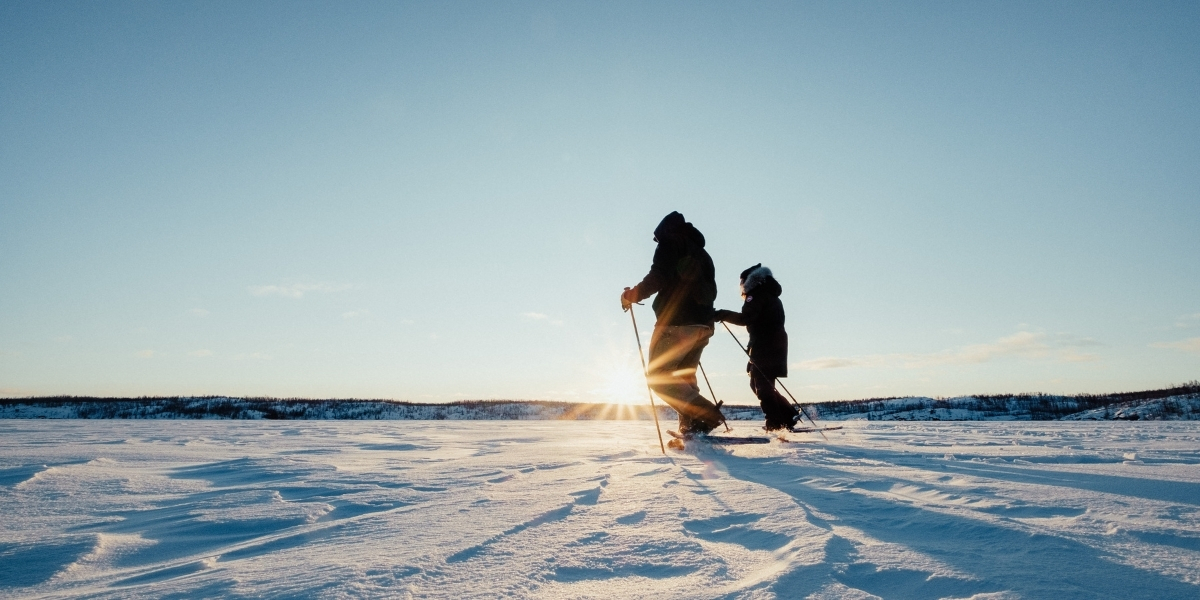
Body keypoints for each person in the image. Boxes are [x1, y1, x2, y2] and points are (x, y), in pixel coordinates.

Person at [621, 211, 725, 436]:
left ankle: (704, 415)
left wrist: (633, 295)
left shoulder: (671, 243)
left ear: (665, 231)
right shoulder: (703, 254)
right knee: (684, 378)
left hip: (676, 323)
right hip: (703, 326)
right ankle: (692, 427)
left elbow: (658, 276)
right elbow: (710, 290)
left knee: (658, 377)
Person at [714, 264, 799, 431]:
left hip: (765, 345)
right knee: (760, 383)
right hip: (775, 344)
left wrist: (720, 314)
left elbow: (747, 317)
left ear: (748, 281)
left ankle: (775, 421)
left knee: (762, 385)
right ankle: (787, 415)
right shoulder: (770, 294)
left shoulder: (756, 295)